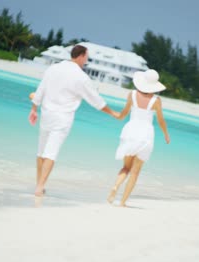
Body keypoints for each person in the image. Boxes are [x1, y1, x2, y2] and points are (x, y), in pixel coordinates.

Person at [29, 45, 119, 197]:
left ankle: (39, 184)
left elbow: (40, 90)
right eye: (87, 57)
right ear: (81, 56)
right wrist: (112, 113)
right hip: (62, 118)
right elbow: (95, 100)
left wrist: (33, 109)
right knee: (51, 153)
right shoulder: (81, 77)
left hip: (46, 114)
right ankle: (40, 187)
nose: (86, 61)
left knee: (41, 151)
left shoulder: (53, 68)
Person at [107, 69, 170, 207]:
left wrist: (114, 114)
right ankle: (122, 202)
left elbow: (123, 114)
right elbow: (161, 121)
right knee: (135, 172)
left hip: (130, 132)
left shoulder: (132, 94)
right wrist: (166, 134)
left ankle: (115, 187)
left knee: (126, 167)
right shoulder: (156, 101)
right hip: (145, 135)